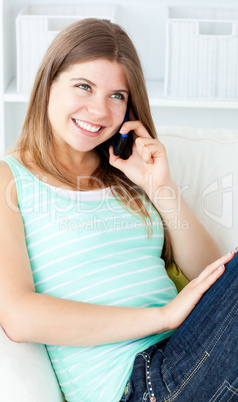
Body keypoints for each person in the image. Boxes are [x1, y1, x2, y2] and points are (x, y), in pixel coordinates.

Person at [0, 18, 237, 402]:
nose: (98, 110)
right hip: (139, 385)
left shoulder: (126, 175)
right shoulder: (10, 179)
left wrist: (161, 188)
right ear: (48, 84)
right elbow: (18, 315)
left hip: (191, 354)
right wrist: (163, 317)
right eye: (83, 86)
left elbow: (211, 276)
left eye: (116, 96)